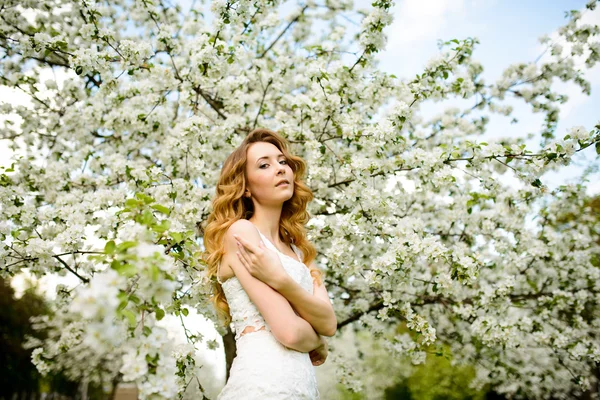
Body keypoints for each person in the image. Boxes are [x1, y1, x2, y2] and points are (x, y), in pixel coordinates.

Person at [201, 128, 337, 399]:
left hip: (302, 389)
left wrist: (281, 280)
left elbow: (329, 322)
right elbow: (289, 333)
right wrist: (318, 341)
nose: (280, 169)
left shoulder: (299, 252)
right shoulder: (241, 233)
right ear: (246, 187)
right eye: (264, 165)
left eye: (282, 161)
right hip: (262, 386)